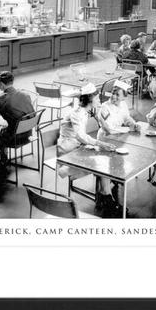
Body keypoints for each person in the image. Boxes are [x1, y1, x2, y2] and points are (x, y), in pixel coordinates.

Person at [57, 83, 117, 217]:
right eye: (97, 98)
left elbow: (104, 123)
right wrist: (99, 143)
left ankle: (105, 195)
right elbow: (80, 135)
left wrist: (99, 115)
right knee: (101, 161)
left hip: (77, 146)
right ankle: (106, 196)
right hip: (68, 150)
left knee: (103, 159)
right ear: (90, 100)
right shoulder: (77, 113)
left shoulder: (86, 111)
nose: (99, 100)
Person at [0, 71, 35, 164]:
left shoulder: (2, 98)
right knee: (3, 128)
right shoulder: (25, 94)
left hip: (13, 138)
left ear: (1, 84)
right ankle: (3, 158)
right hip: (28, 134)